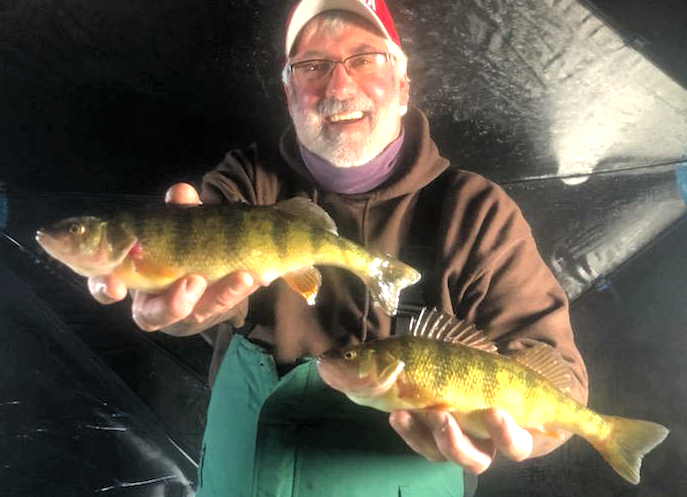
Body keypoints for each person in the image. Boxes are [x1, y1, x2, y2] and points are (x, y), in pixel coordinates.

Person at [88, 1, 588, 496]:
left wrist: (531, 428)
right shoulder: (245, 182)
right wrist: (178, 305)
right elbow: (199, 280)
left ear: (404, 85)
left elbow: (556, 372)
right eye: (312, 66)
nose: (339, 86)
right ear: (289, 93)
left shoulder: (476, 211)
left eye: (365, 59)